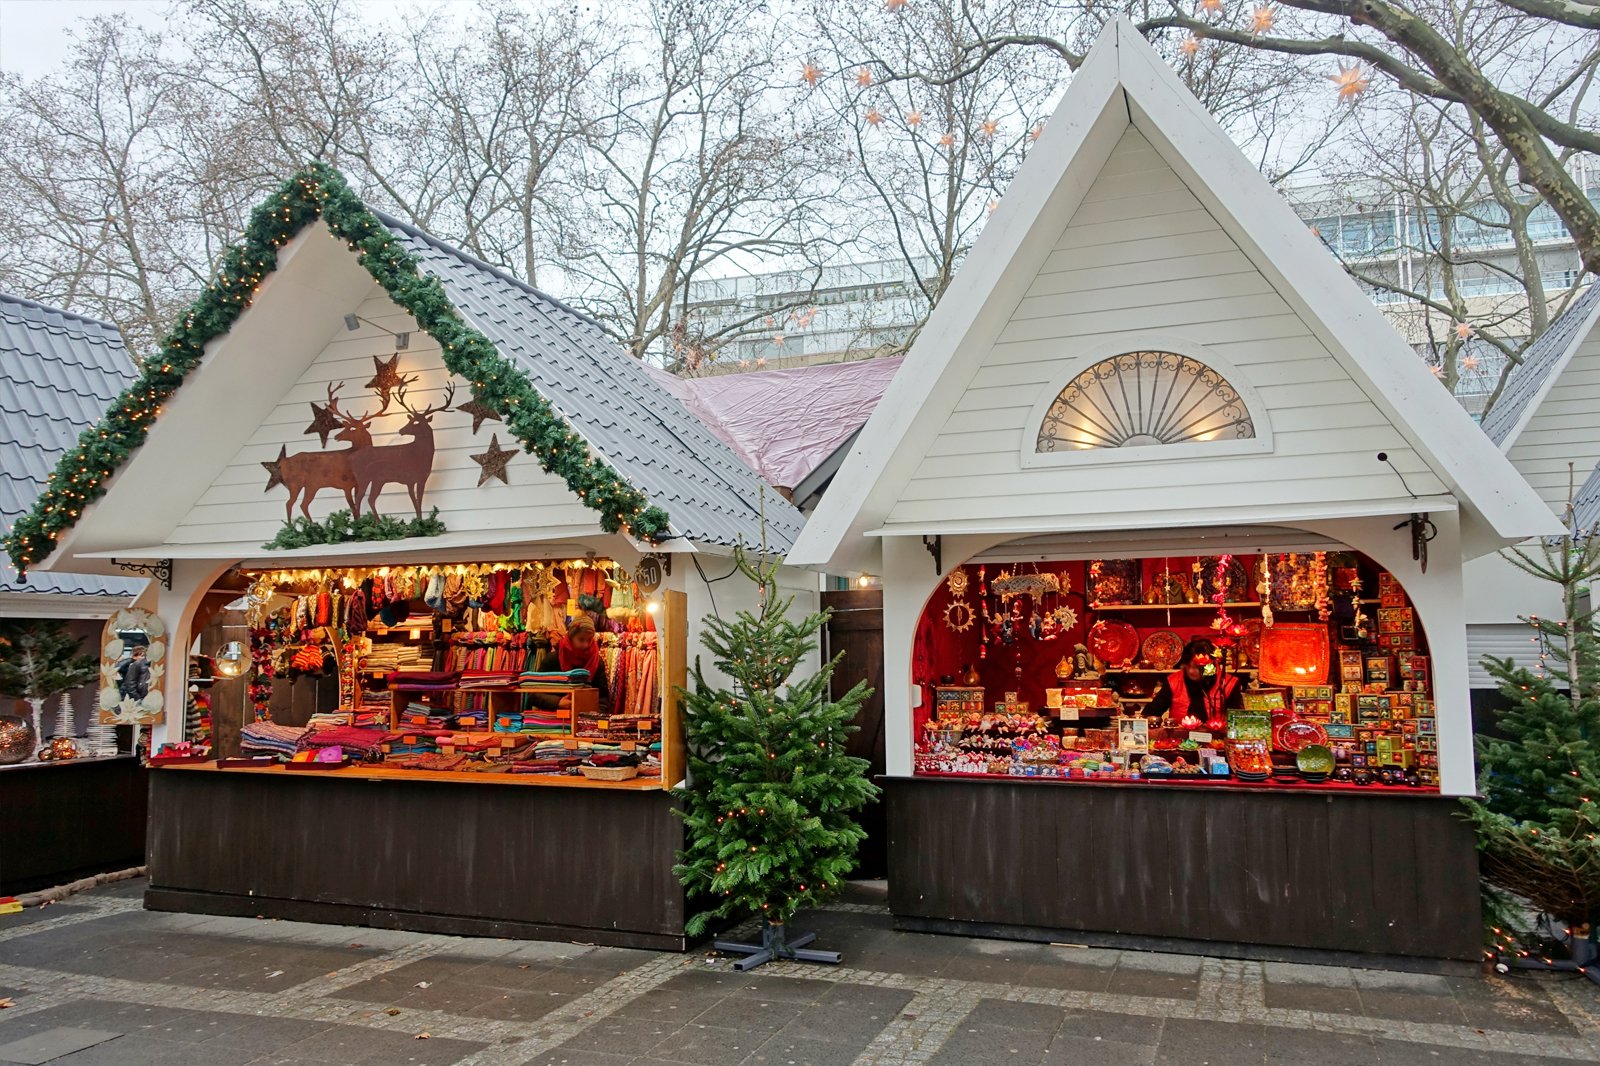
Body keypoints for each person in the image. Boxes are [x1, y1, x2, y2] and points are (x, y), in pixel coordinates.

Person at [1147, 638, 1241, 727]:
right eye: (1188, 665)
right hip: (1180, 738)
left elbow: (1236, 722)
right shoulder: (1174, 681)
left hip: (1216, 738)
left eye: (1197, 667)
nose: (1191, 671)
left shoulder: (1228, 683)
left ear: (1213, 664)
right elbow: (1152, 712)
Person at [527, 615, 608, 710]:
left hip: (585, 720)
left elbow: (603, 698)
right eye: (581, 639)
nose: (586, 644)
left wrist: (593, 717)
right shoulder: (553, 659)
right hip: (554, 720)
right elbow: (533, 693)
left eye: (589, 640)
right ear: (571, 638)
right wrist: (557, 702)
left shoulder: (597, 661)